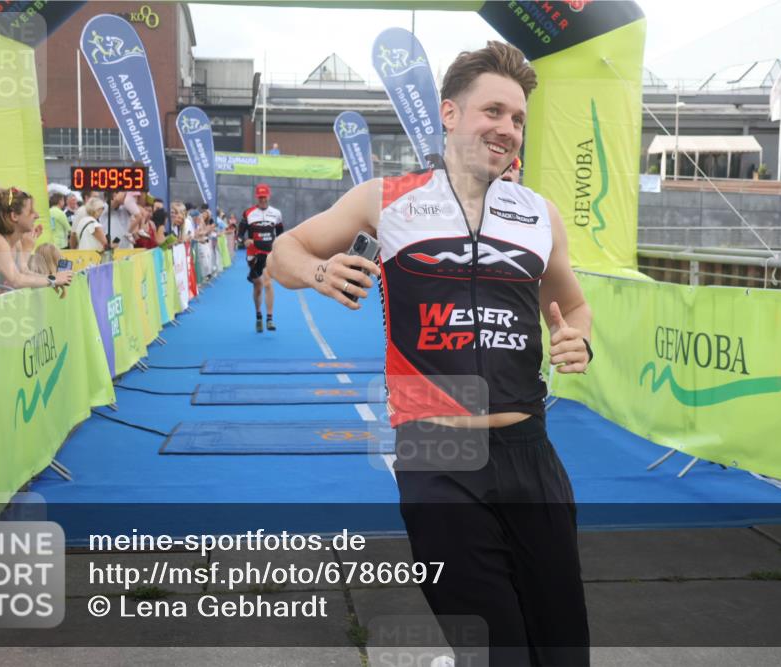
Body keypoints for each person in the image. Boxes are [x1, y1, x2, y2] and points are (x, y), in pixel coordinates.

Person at [268, 42, 592, 665]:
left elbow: (572, 306)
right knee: (496, 651)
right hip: (438, 453)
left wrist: (576, 337)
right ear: (449, 113)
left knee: (564, 648)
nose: (507, 129)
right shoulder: (385, 199)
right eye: (493, 111)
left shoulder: (540, 215)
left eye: (519, 118)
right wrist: (318, 272)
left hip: (531, 451)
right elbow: (287, 251)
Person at [0, 186, 72, 293]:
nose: (37, 215)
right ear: (14, 216)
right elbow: (16, 280)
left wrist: (54, 278)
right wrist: (53, 279)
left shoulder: (17, 244)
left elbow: (24, 272)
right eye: (31, 211)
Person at [239, 183, 283, 332]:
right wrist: (244, 240)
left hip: (269, 254)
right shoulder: (248, 213)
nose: (263, 199)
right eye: (260, 197)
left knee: (268, 283)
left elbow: (281, 233)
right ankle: (258, 315)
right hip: (254, 254)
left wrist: (279, 247)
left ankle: (270, 319)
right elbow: (240, 233)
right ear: (256, 197)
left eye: (265, 197)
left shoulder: (276, 213)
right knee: (257, 286)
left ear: (269, 196)